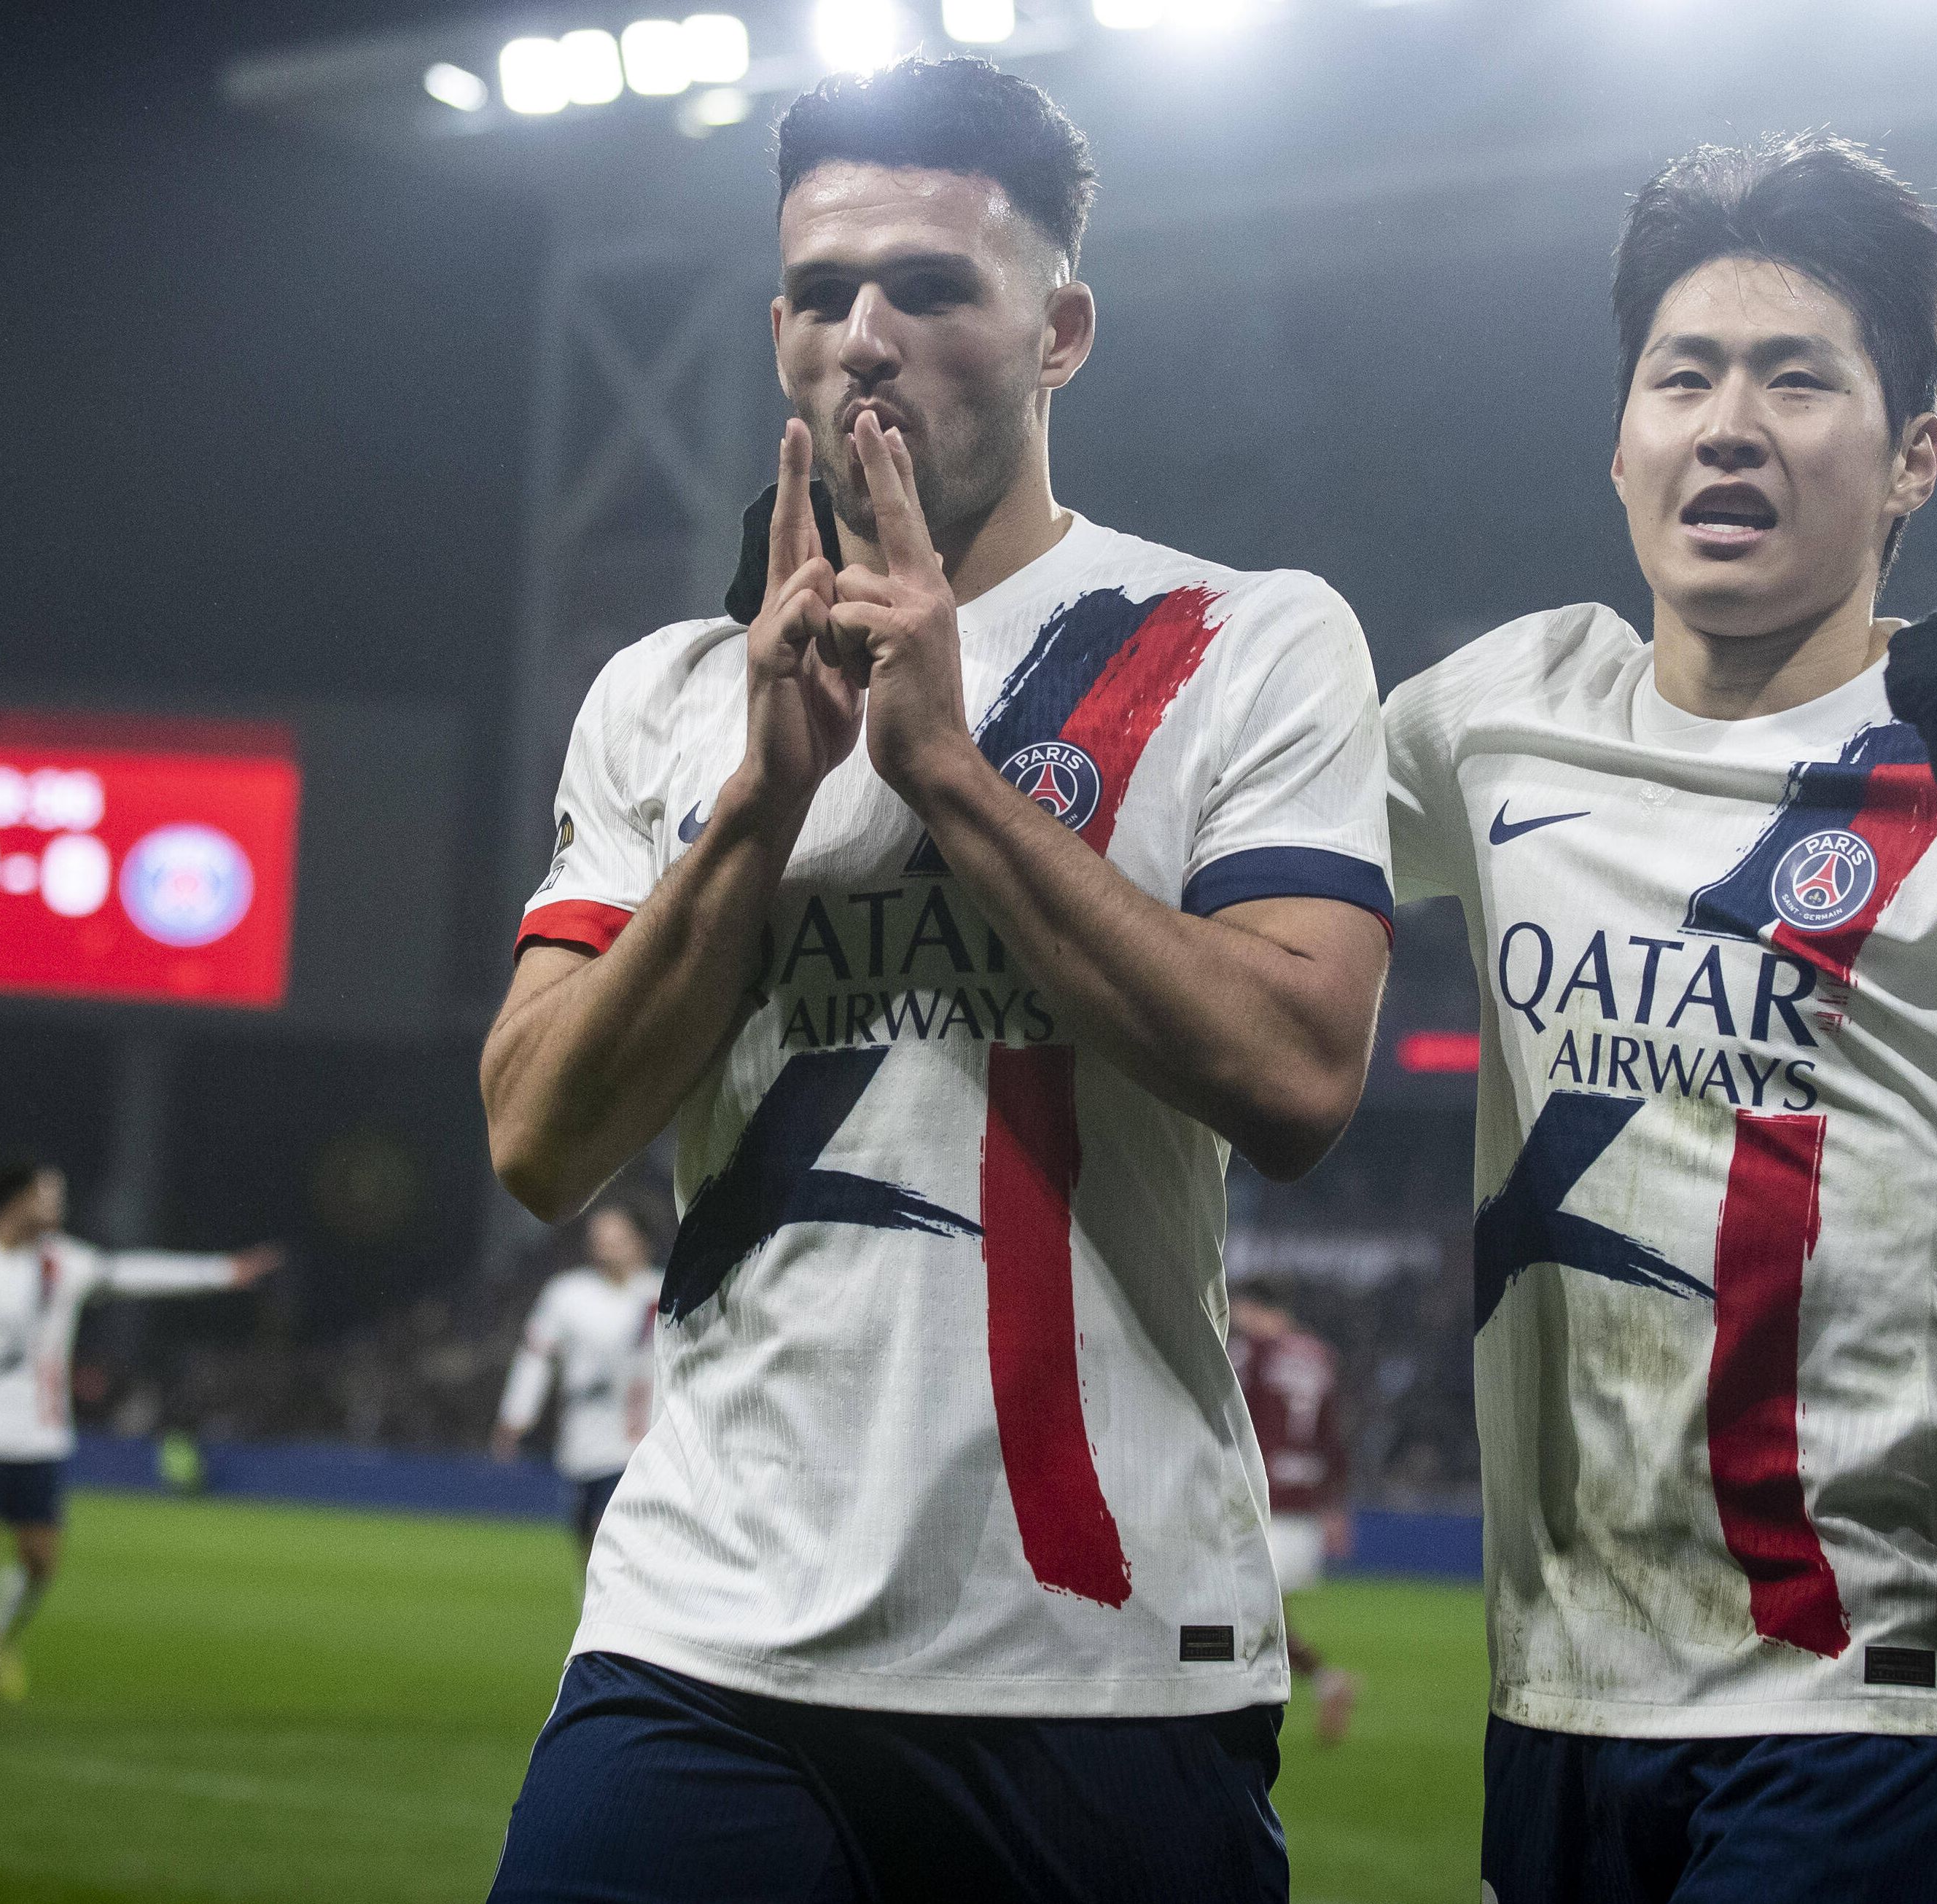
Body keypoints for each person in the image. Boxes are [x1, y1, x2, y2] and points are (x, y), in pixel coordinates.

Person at [477, 56, 1391, 1904]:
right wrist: (761, 805)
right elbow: (537, 1137)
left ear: (1058, 330)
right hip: (705, 1638)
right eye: (822, 295)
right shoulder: (668, 696)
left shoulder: (1241, 639)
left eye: (929, 288)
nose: (863, 337)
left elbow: (1298, 1076)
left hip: (1102, 1657)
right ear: (775, 327)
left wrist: (952, 780)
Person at [1383, 133, 1937, 1902]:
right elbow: (1210, 866)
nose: (1727, 423)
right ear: (1620, 438)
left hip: (1882, 1700)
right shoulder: (1494, 715)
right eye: (1679, 377)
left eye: (1795, 379)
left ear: (1911, 455)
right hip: (1561, 1693)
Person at [0, 1162, 281, 1714]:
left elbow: (132, 1273)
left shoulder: (61, 1263)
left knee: (41, 1561)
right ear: (14, 1200)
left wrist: (220, 1272)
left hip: (40, 1433)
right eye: (47, 1194)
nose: (57, 1205)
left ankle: (0, 1636)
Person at [492, 1201, 663, 1555]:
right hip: (583, 1438)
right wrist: (516, 1415)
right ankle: (596, 1603)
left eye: (616, 1238)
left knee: (617, 1532)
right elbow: (536, 1358)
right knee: (588, 1539)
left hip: (645, 1438)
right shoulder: (567, 1294)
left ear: (641, 1242)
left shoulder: (663, 1292)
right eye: (599, 1238)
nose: (605, 1246)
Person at [1228, 1286, 1359, 1744]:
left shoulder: (1248, 1351)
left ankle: (1270, 1702)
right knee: (1255, 1611)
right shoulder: (1320, 1355)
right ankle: (1322, 1684)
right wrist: (1334, 1507)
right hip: (1304, 1505)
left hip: (1262, 1496)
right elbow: (1332, 1436)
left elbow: (1227, 1415)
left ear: (1250, 1306)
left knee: (1243, 1610)